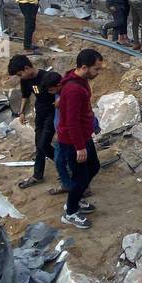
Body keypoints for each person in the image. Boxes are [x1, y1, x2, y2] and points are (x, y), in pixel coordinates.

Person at [56, 49, 105, 228]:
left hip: (84, 137)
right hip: (73, 141)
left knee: (94, 167)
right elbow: (71, 122)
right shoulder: (73, 90)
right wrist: (79, 147)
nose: (98, 73)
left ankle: (76, 200)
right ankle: (70, 212)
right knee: (80, 177)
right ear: (84, 67)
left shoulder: (80, 80)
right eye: (96, 69)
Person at [8, 54, 65, 190]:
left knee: (43, 144)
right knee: (39, 145)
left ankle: (64, 165)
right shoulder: (25, 81)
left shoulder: (48, 77)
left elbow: (63, 90)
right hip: (40, 114)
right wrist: (21, 112)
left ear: (27, 68)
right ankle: (37, 175)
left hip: (52, 113)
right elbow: (25, 95)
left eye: (20, 73)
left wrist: (60, 101)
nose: (20, 77)